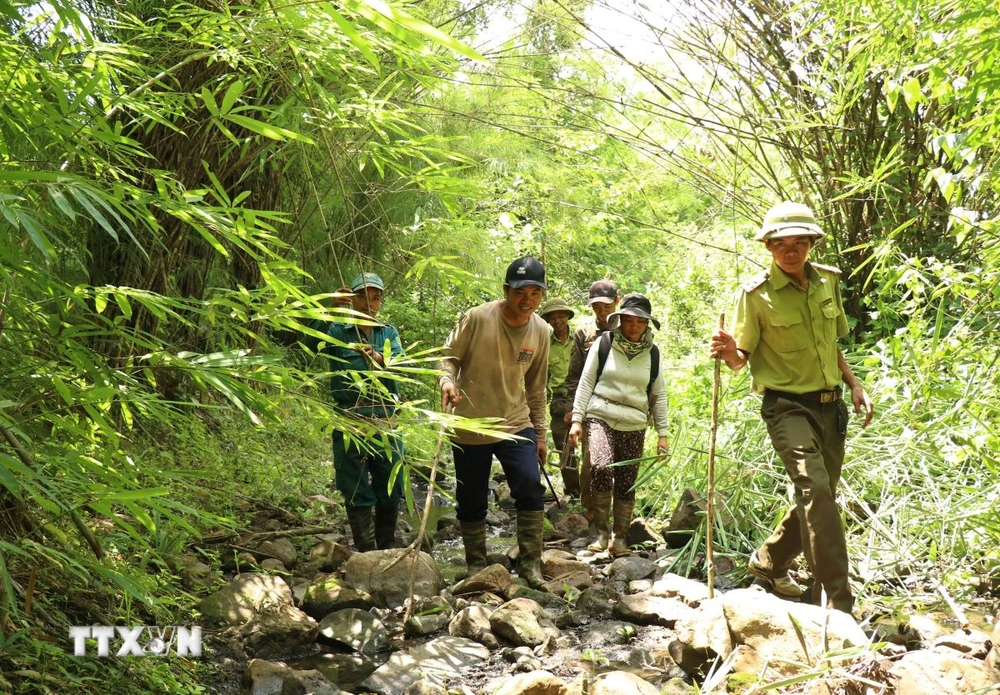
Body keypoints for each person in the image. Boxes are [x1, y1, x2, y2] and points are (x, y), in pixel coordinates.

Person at [709, 201, 874, 615]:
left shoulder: (827, 282)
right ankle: (838, 604)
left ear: (811, 244)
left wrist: (854, 385)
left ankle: (770, 560)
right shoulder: (756, 294)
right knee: (816, 492)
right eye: (781, 243)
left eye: (799, 242)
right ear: (768, 246)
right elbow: (740, 359)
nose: (790, 251)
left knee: (820, 496)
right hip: (786, 408)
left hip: (830, 407)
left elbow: (830, 345)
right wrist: (729, 350)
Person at [439, 256, 550, 588]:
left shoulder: (541, 330)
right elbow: (447, 358)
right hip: (471, 423)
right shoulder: (475, 318)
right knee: (471, 498)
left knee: (530, 486)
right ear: (506, 290)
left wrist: (541, 434)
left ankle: (531, 564)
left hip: (516, 421)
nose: (527, 300)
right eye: (520, 292)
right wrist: (447, 382)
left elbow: (537, 387)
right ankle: (476, 566)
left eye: (535, 293)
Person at [308, 272, 406, 552]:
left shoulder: (388, 332)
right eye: (362, 295)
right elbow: (311, 341)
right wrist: (330, 307)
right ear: (352, 299)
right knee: (354, 486)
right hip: (349, 419)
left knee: (392, 484)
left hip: (385, 419)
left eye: (375, 297)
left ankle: (386, 546)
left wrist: (376, 357)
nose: (369, 302)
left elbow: (399, 361)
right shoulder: (338, 330)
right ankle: (365, 551)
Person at [567, 293, 669, 557]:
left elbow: (659, 395)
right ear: (619, 319)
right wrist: (577, 419)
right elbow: (586, 382)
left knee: (627, 481)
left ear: (647, 324)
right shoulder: (605, 343)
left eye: (640, 321)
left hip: (635, 421)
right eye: (628, 319)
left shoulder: (653, 354)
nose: (633, 325)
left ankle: (620, 538)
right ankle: (601, 533)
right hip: (601, 413)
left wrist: (663, 434)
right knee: (600, 466)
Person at [564, 280, 621, 524]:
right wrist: (572, 410)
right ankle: (593, 512)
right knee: (592, 462)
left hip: (624, 405)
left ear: (617, 302)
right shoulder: (583, 333)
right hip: (592, 406)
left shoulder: (629, 328)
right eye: (596, 306)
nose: (601, 311)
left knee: (621, 460)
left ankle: (619, 513)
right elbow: (574, 374)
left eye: (606, 305)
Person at [539, 297, 580, 498]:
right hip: (558, 401)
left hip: (582, 398)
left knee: (590, 447)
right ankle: (574, 494)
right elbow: (541, 378)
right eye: (552, 318)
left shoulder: (580, 339)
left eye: (560, 316)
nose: (557, 321)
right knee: (564, 449)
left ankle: (594, 494)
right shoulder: (544, 344)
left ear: (567, 317)